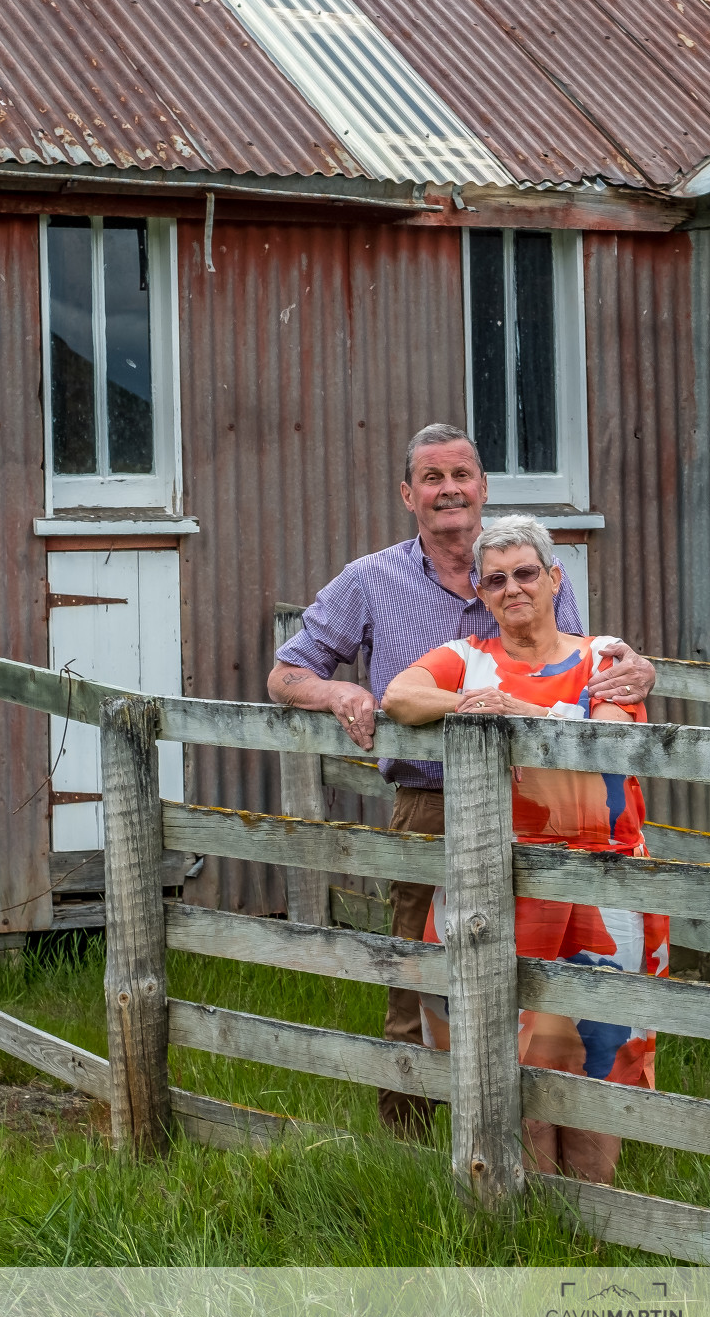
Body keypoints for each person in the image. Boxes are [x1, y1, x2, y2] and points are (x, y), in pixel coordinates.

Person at [269, 422, 656, 1136]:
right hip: (433, 802)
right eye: (432, 478)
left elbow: (581, 669)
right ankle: (413, 1142)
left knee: (539, 978)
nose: (448, 490)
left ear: (482, 487)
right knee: (421, 976)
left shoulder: (526, 566)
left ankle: (526, 1127)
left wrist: (639, 671)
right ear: (408, 494)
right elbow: (288, 671)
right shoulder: (371, 579)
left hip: (542, 811)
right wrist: (339, 692)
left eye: (461, 475)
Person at [382, 514, 666, 1184]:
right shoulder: (467, 658)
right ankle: (521, 1215)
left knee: (601, 1051)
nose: (513, 588)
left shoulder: (603, 657)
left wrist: (518, 714)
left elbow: (606, 737)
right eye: (496, 579)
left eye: (526, 573)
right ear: (481, 593)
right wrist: (463, 702)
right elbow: (399, 695)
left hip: (603, 882)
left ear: (555, 579)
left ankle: (592, 1212)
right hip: (496, 879)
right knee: (506, 1052)